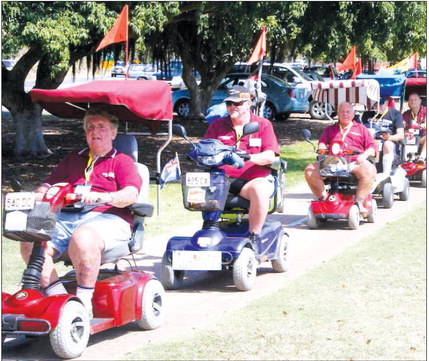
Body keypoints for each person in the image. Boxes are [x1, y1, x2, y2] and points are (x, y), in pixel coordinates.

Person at [20, 108, 142, 317]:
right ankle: (58, 296)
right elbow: (47, 185)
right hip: (66, 216)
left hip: (107, 217)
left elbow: (131, 193)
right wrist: (38, 194)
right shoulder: (72, 159)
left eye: (101, 127)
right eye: (90, 127)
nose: (95, 132)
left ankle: (84, 303)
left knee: (83, 236)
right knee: (30, 236)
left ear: (113, 133)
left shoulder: (121, 160)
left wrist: (106, 197)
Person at [204, 85, 280, 250]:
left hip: (252, 180)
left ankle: (253, 237)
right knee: (198, 184)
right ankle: (209, 231)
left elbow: (270, 156)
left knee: (259, 188)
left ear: (249, 103)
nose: (232, 107)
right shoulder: (217, 126)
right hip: (222, 180)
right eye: (229, 103)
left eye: (237, 103)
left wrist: (248, 157)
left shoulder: (262, 125)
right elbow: (206, 149)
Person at [304, 102, 377, 214]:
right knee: (309, 170)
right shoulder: (329, 129)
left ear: (353, 114)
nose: (345, 114)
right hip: (333, 162)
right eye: (342, 112)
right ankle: (324, 199)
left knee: (370, 169)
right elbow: (322, 144)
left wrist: (364, 155)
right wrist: (322, 149)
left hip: (354, 162)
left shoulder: (361, 129)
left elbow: (372, 148)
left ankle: (359, 202)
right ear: (337, 114)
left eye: (348, 112)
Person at [375, 96, 405, 174]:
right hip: (372, 141)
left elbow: (401, 135)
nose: (378, 107)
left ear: (387, 103)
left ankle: (386, 174)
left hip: (389, 142)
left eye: (380, 104)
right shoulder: (367, 114)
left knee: (388, 144)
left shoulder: (395, 114)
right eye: (375, 104)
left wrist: (389, 137)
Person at [402, 92, 426, 163]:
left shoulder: (426, 111)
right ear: (408, 102)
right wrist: (404, 132)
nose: (413, 102)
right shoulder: (405, 114)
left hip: (422, 137)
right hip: (409, 137)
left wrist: (425, 125)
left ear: (420, 101)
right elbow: (402, 125)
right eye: (411, 100)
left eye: (415, 100)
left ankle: (422, 157)